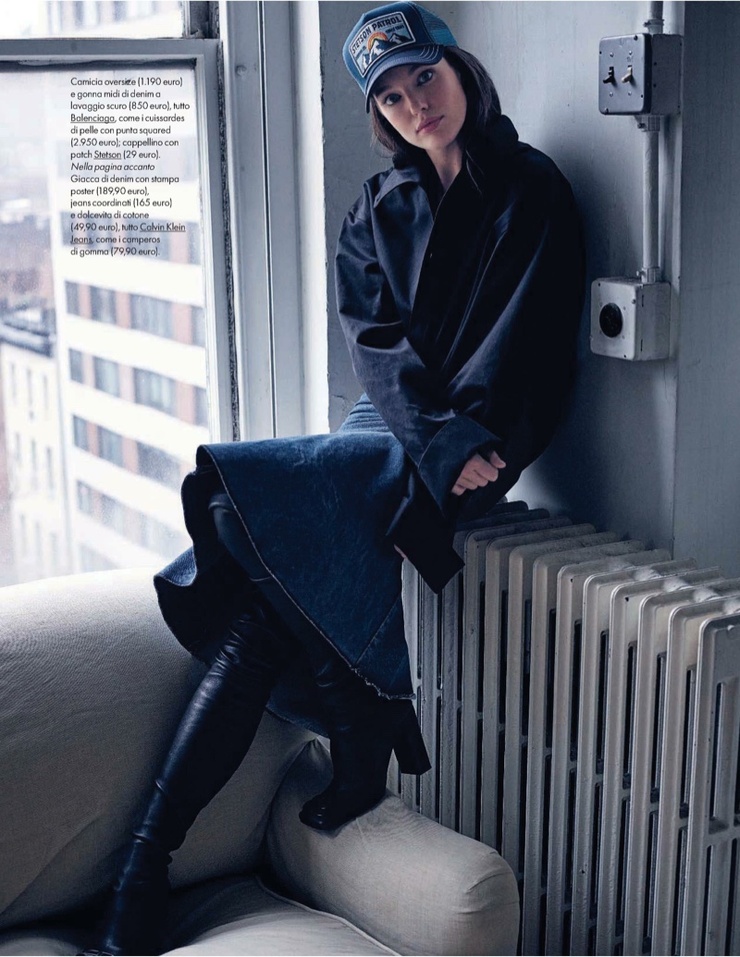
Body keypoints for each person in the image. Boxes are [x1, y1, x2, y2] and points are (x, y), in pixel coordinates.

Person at [84, 3, 584, 954]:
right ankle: (347, 723)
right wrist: (425, 432)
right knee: (249, 562)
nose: (415, 105)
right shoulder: (376, 208)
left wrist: (453, 444)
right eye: (391, 97)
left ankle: (145, 871)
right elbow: (375, 349)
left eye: (424, 78)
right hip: (393, 424)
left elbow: (527, 342)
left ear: (461, 71)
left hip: (477, 437)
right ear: (379, 114)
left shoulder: (533, 190)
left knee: (235, 512)